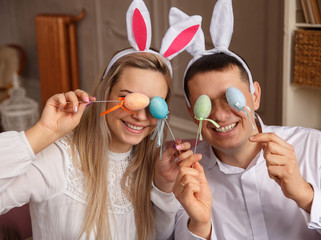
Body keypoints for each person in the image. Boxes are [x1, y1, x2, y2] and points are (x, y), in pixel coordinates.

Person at [0, 0, 202, 239]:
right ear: (106, 93)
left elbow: (156, 235)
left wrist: (164, 188)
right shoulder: (61, 159)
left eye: (154, 106)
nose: (140, 115)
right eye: (128, 99)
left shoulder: (150, 165)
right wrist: (44, 131)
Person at [172, 0, 321, 239]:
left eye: (231, 97)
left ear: (255, 95)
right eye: (204, 104)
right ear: (191, 112)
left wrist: (305, 195)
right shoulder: (187, 175)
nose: (219, 115)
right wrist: (199, 225)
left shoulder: (315, 148)